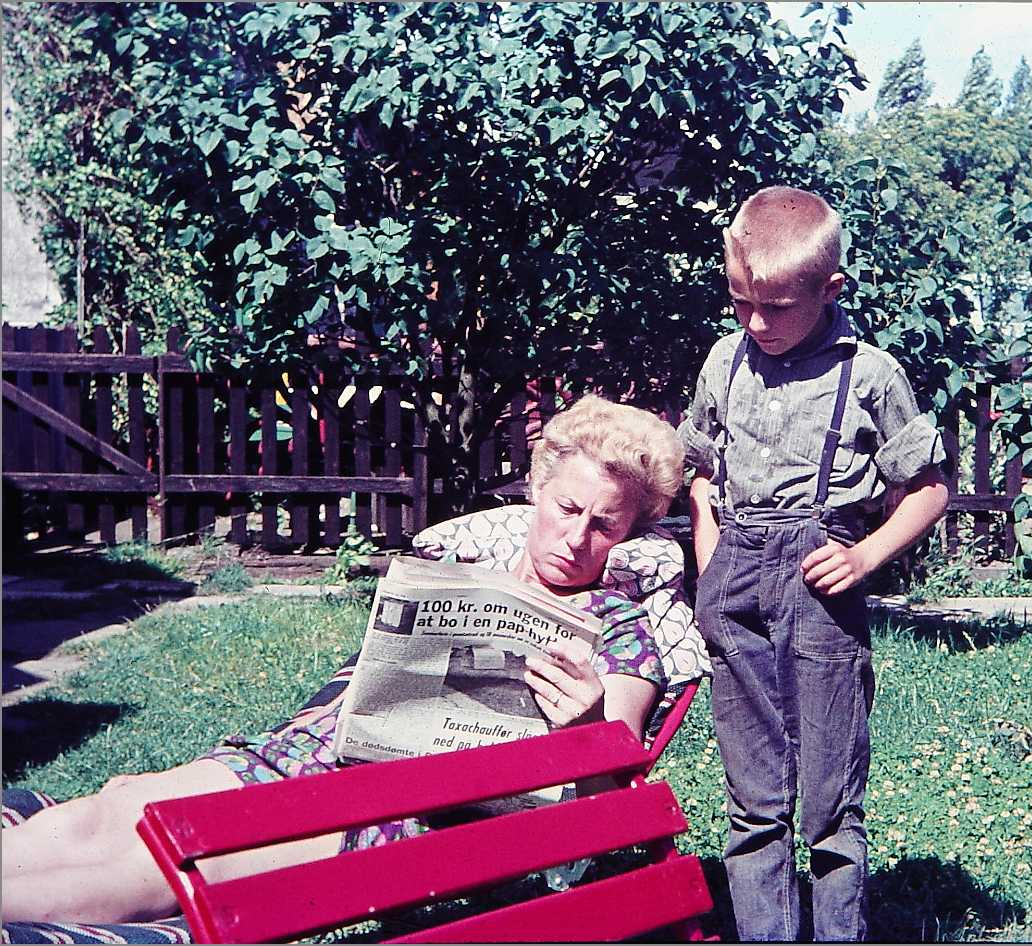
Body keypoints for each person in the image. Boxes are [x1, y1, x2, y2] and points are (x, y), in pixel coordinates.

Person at [3, 394, 684, 925]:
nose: (576, 538)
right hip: (298, 754)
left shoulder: (620, 629)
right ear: (537, 488)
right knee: (102, 818)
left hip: (393, 816)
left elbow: (609, 798)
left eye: (604, 525)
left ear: (629, 531)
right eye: (567, 508)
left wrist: (587, 725)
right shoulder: (457, 575)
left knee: (163, 868)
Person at [678, 185, 950, 941]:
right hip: (735, 582)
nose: (755, 323)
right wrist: (711, 561)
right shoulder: (724, 362)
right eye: (740, 303)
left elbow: (929, 491)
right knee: (753, 801)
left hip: (819, 590)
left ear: (831, 290)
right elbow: (699, 472)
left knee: (830, 804)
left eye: (776, 307)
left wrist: (863, 557)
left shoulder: (870, 375)